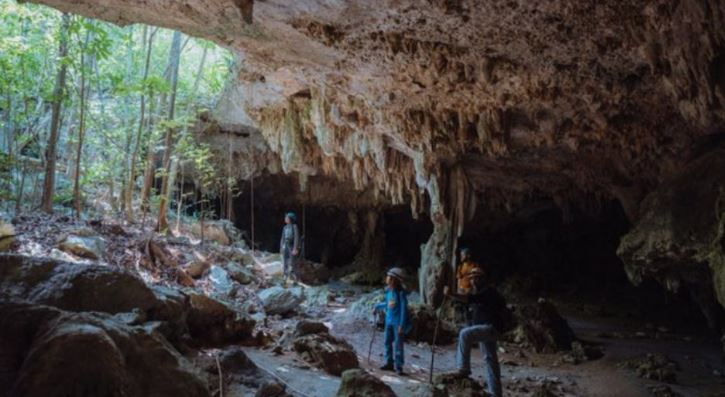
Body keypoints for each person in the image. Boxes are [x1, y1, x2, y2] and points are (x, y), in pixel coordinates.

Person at [444, 268, 507, 397]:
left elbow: (471, 299)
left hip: (491, 328)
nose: (473, 280)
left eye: (476, 277)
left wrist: (451, 294)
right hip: (486, 329)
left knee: (465, 334)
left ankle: (463, 368)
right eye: (472, 277)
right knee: (490, 359)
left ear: (483, 278)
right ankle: (496, 392)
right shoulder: (480, 292)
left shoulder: (488, 291)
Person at [374, 267, 411, 375]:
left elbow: (404, 309)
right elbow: (387, 304)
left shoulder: (400, 293)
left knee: (398, 345)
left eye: (389, 277)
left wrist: (401, 325)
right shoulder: (388, 292)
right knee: (387, 342)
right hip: (389, 321)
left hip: (397, 323)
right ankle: (389, 362)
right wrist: (377, 307)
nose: (387, 278)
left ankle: (399, 366)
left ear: (394, 279)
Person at [279, 211, 300, 284]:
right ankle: (285, 274)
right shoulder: (285, 227)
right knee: (285, 260)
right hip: (286, 245)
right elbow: (282, 238)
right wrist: (281, 247)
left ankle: (294, 276)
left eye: (286, 217)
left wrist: (295, 248)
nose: (285, 218)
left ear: (290, 219)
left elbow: (296, 238)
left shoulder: (294, 226)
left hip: (291, 245)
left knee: (292, 261)